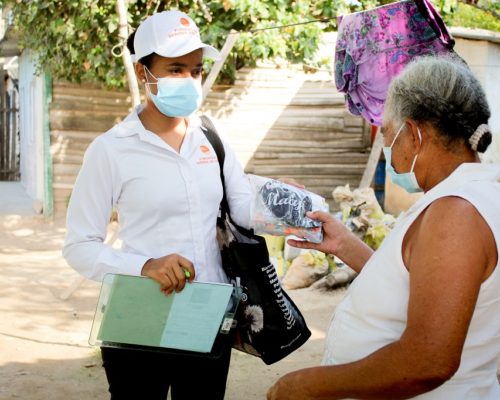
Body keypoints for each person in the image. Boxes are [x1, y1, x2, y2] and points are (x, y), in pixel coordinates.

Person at [268, 56, 500, 399]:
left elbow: (427, 362)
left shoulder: (456, 213)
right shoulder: (467, 194)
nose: (388, 151)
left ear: (416, 134)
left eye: (389, 136)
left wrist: (305, 385)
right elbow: (420, 281)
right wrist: (345, 246)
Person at [63, 10, 252, 400]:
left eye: (196, 70)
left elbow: (245, 207)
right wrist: (145, 266)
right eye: (176, 68)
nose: (189, 81)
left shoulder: (211, 138)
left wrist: (289, 205)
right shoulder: (111, 150)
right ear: (142, 71)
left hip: (207, 316)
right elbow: (79, 246)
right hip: (138, 320)